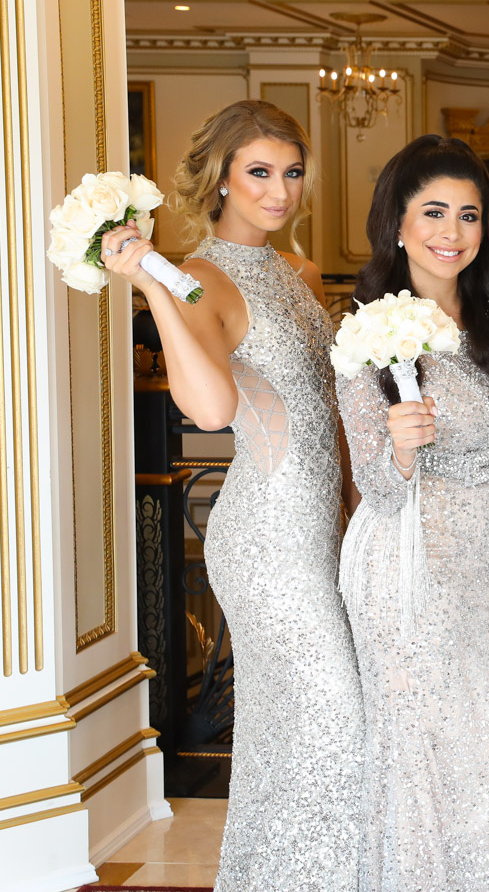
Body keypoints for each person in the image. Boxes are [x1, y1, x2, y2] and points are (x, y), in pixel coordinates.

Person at [101, 100, 363, 892]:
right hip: (267, 537)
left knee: (299, 732)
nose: (280, 191)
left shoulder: (299, 273)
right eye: (259, 173)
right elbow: (212, 409)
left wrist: (357, 511)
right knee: (337, 718)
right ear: (221, 179)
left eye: (292, 172)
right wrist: (152, 285)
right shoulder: (200, 279)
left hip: (327, 528)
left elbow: (330, 406)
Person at [336, 134, 489, 892]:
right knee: (419, 755)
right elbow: (379, 492)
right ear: (397, 222)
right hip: (406, 564)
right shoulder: (365, 331)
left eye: (468, 214)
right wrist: (398, 448)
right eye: (433, 212)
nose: (451, 232)